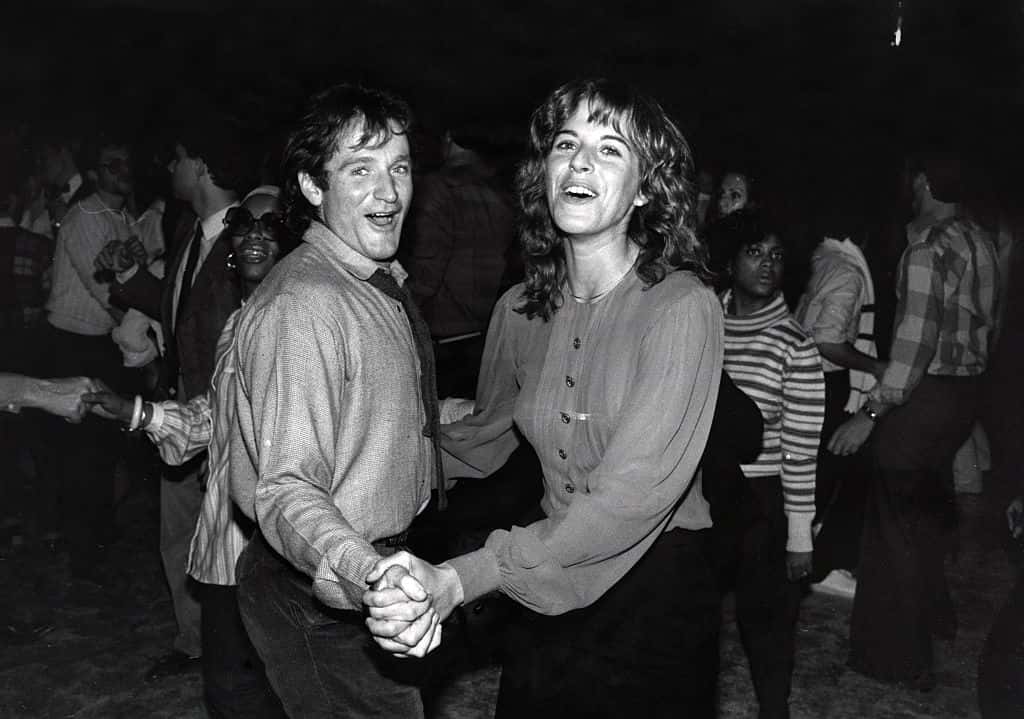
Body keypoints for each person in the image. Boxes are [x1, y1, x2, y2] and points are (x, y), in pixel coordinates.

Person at [364, 78, 724, 718]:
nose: (580, 162)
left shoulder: (681, 308)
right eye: (566, 144)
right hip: (547, 575)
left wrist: (464, 577)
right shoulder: (521, 310)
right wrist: (359, 471)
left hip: (652, 588)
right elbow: (481, 438)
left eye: (610, 149)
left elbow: (629, 497)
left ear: (645, 188)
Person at [225, 84, 440, 719]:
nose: (389, 192)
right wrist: (371, 575)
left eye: (399, 168)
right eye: (360, 169)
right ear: (312, 187)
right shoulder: (306, 305)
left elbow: (376, 416)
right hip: (321, 595)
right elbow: (287, 487)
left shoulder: (374, 284)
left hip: (366, 573)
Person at [85, 186, 289, 718]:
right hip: (227, 544)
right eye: (244, 224)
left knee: (261, 693)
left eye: (272, 226)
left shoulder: (299, 322)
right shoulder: (240, 323)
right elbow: (213, 415)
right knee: (228, 689)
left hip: (274, 552)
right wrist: (134, 411)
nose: (254, 235)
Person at [831, 150, 1000, 689]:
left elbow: (913, 347)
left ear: (924, 182)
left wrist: (871, 412)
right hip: (964, 396)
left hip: (924, 398)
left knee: (893, 527)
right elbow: (988, 327)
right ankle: (936, 620)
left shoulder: (927, 250)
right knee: (925, 513)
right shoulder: (980, 240)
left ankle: (896, 660)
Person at [105, 112, 246, 679]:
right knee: (178, 534)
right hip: (180, 407)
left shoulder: (250, 238)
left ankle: (239, 649)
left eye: (179, 158)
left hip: (226, 415)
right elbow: (180, 308)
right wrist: (132, 279)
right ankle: (194, 641)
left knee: (231, 543)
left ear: (201, 166)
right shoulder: (193, 231)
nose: (170, 167)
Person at [716, 209, 825, 719]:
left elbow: (800, 451)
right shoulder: (700, 323)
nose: (767, 264)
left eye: (777, 255)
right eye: (755, 252)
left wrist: (799, 536)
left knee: (766, 622)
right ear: (730, 260)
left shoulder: (795, 345)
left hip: (761, 502)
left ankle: (774, 708)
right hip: (698, 493)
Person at [37, 131, 137, 579]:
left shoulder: (122, 217)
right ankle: (82, 550)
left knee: (100, 448)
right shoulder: (84, 218)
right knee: (78, 451)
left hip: (101, 343)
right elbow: (108, 294)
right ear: (96, 174)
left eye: (127, 163)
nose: (124, 172)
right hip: (71, 343)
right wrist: (148, 336)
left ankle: (95, 539)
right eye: (113, 164)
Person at [794, 197, 882, 597]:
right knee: (838, 471)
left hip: (801, 377)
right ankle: (824, 566)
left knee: (813, 473)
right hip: (827, 382)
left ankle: (811, 551)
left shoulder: (820, 258)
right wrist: (877, 367)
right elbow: (828, 342)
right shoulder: (848, 271)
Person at [401, 125, 516, 398]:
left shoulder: (436, 190)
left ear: (447, 136)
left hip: (443, 343)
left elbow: (426, 274)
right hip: (486, 338)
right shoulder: (501, 191)